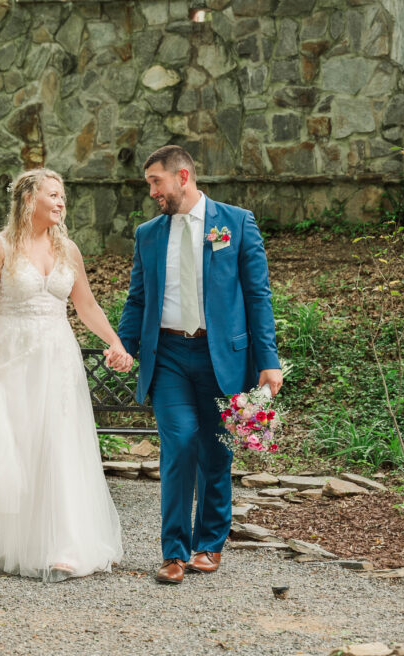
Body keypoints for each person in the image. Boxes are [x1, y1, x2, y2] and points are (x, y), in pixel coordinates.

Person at [0, 168, 131, 583]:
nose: (61, 203)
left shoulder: (68, 250)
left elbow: (86, 306)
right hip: (12, 358)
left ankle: (63, 545)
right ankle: (14, 541)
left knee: (59, 444)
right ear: (29, 200)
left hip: (58, 359)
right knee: (17, 446)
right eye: (54, 195)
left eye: (63, 197)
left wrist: (115, 341)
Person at [117, 145, 282, 584]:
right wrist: (124, 344)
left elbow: (257, 295)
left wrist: (269, 360)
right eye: (149, 183)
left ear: (183, 176)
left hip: (220, 357)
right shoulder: (148, 234)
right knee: (180, 443)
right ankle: (173, 551)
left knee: (214, 453)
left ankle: (208, 545)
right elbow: (138, 299)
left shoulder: (236, 222)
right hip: (168, 356)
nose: (152, 191)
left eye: (156, 181)